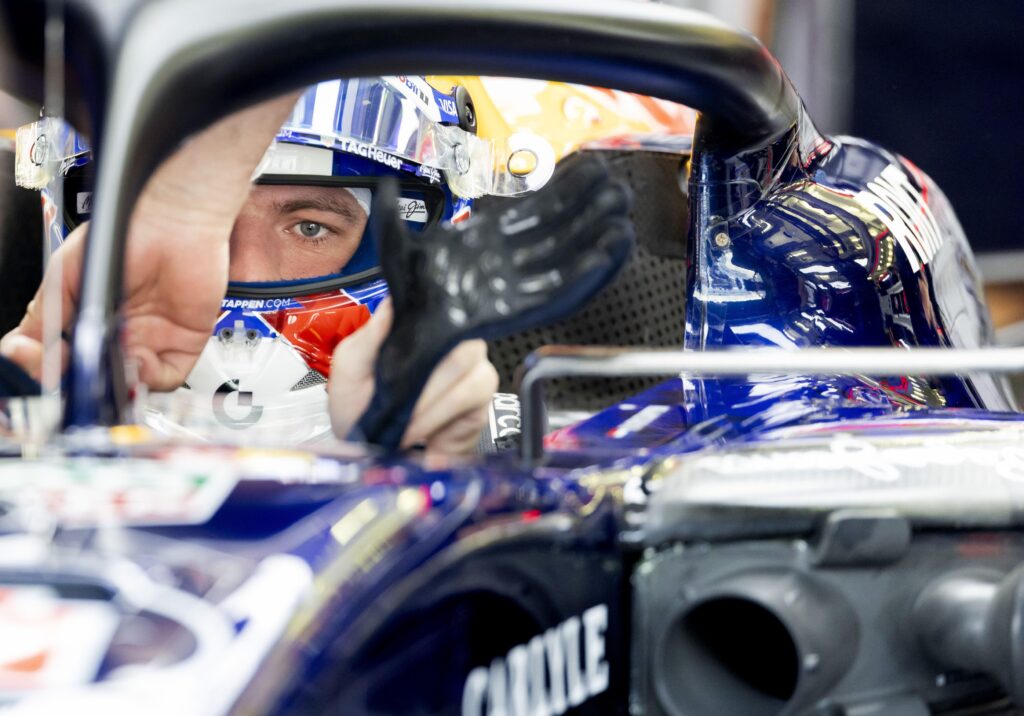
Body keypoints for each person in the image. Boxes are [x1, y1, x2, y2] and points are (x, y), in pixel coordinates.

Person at [1, 77, 498, 454]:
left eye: (310, 227)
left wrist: (435, 466)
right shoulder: (16, 413)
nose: (247, 273)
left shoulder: (502, 444)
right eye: (192, 217)